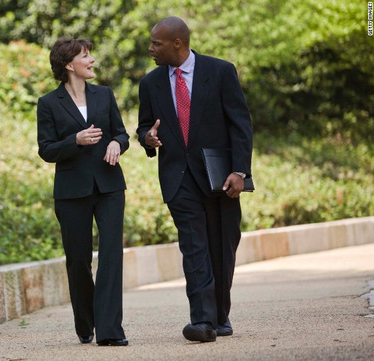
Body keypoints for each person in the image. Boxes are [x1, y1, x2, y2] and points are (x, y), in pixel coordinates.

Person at [136, 17, 253, 342]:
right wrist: (148, 138)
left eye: (156, 43)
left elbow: (240, 124)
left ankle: (219, 315)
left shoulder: (220, 72)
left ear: (178, 43)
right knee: (194, 247)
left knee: (223, 247)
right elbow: (144, 125)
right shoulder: (150, 83)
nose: (151, 49)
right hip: (179, 178)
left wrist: (239, 171)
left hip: (220, 177)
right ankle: (202, 321)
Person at [37, 37, 130, 346]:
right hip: (71, 191)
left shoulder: (104, 95)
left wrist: (117, 143)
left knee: (111, 256)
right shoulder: (48, 103)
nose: (92, 61)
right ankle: (86, 321)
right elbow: (46, 150)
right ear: (68, 65)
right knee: (78, 261)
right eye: (86, 56)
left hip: (109, 186)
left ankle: (110, 330)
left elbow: (121, 133)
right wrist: (75, 140)